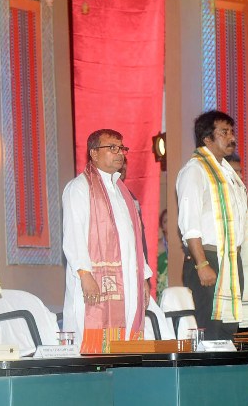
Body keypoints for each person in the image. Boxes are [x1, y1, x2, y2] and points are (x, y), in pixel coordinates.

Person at [62, 129, 151, 353]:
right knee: (93, 343)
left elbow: (134, 239)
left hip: (129, 282)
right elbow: (73, 234)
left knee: (126, 345)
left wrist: (144, 277)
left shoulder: (123, 192)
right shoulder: (79, 188)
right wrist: (84, 273)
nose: (119, 153)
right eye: (111, 148)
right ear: (93, 153)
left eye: (121, 148)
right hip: (93, 280)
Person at [176, 110, 248, 340]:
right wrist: (201, 263)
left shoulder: (228, 173)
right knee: (210, 327)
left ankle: (225, 374)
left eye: (232, 132)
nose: (231, 137)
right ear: (207, 139)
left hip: (232, 261)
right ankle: (208, 375)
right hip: (209, 258)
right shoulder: (195, 170)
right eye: (224, 132)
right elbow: (189, 223)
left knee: (229, 330)